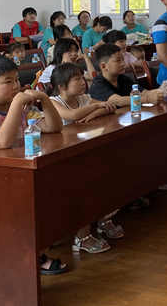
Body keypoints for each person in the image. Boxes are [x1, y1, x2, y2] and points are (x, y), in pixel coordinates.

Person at [0, 54, 68, 275]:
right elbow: (2, 142)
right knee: (18, 208)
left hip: (13, 178)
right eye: (8, 82)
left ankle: (39, 245)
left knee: (56, 188)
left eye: (16, 80)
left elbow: (54, 127)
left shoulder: (21, 110)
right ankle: (30, 258)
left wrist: (44, 100)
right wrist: (17, 102)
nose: (16, 86)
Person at [49, 62, 118, 254]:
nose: (82, 82)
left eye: (82, 77)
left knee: (110, 170)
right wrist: (96, 106)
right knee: (85, 182)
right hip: (61, 156)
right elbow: (71, 115)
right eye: (77, 79)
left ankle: (104, 219)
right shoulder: (53, 101)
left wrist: (95, 111)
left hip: (83, 149)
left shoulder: (84, 98)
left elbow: (109, 107)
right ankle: (82, 236)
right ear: (62, 86)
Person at [88, 44, 164, 105]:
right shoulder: (98, 84)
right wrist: (147, 99)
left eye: (123, 60)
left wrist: (160, 92)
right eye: (118, 61)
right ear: (103, 66)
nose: (123, 64)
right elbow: (118, 101)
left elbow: (143, 92)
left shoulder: (123, 79)